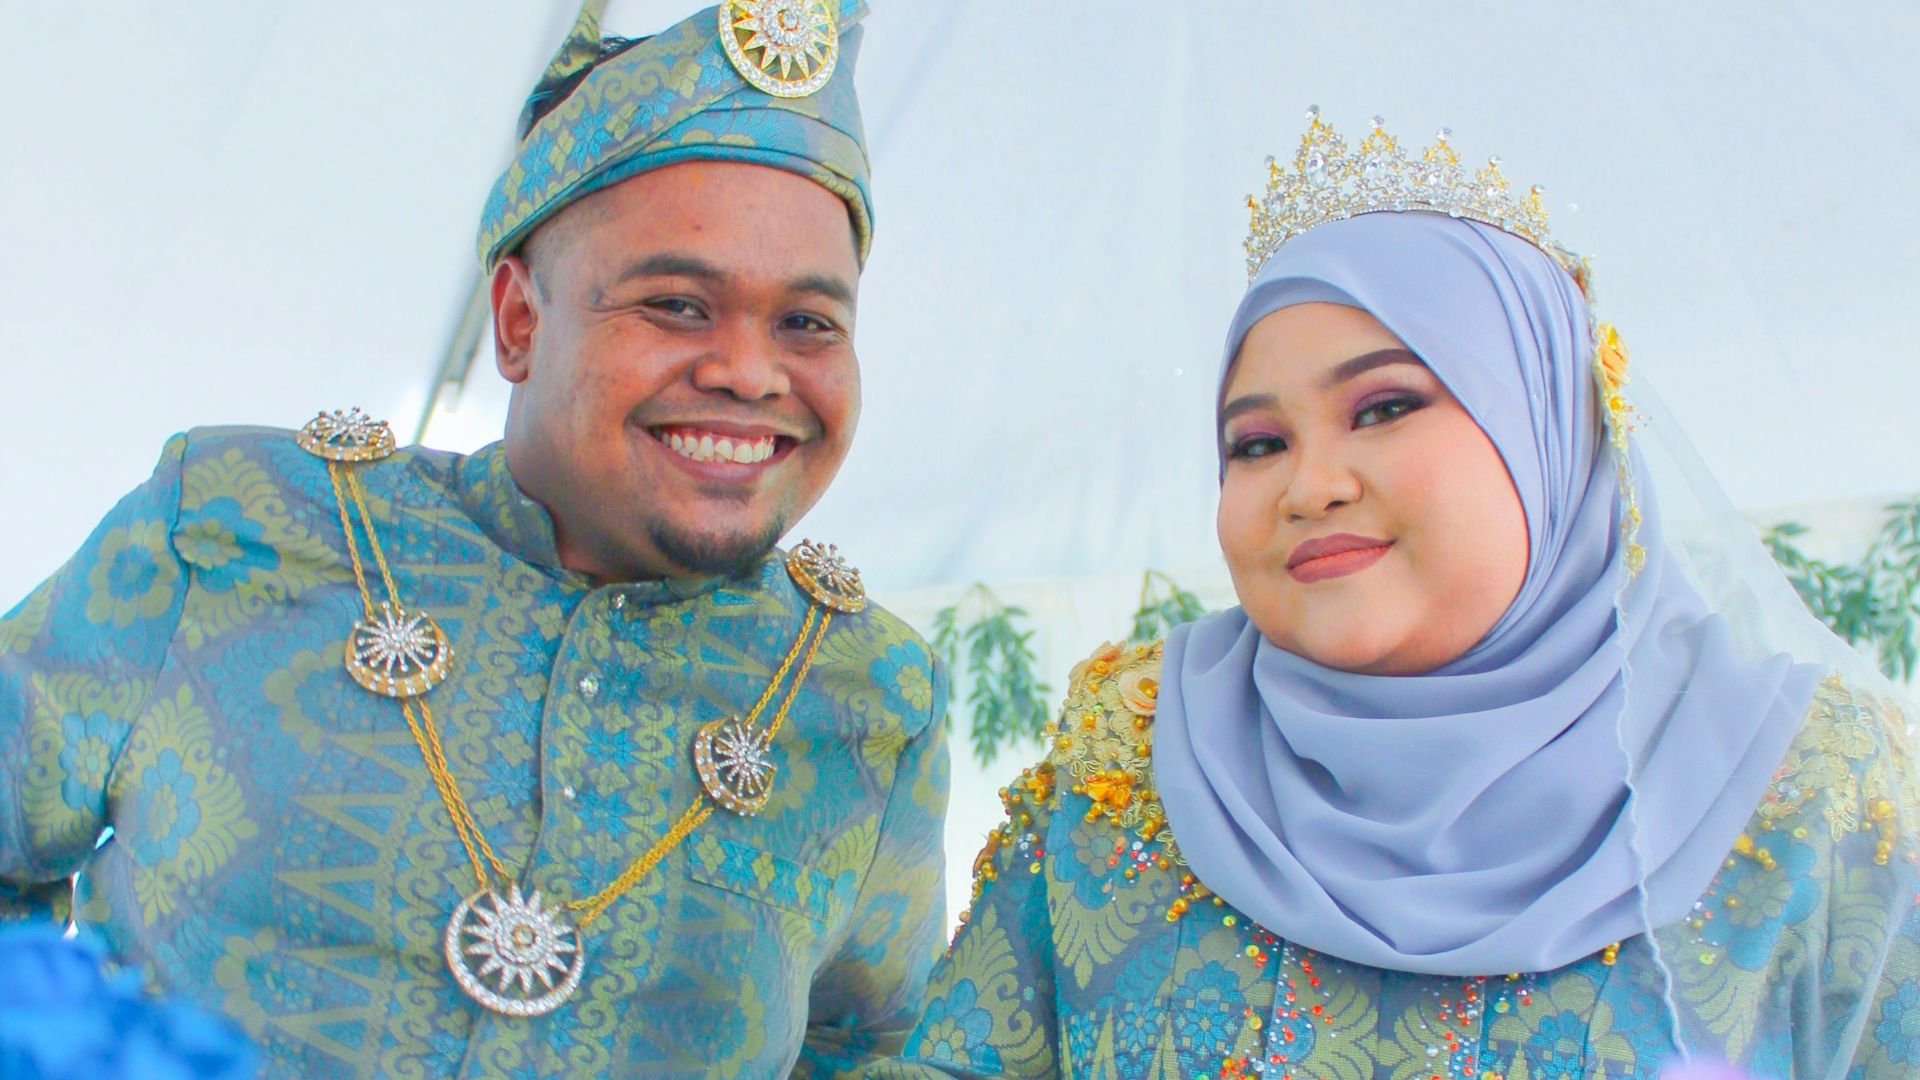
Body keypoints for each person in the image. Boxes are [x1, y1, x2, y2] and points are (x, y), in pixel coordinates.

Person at [0, 1, 950, 1075]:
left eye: (809, 323)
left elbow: (870, 1047)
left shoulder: (872, 696)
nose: (749, 370)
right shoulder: (234, 525)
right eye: (679, 305)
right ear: (518, 322)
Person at [874, 111, 1920, 1079]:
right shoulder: (1128, 751)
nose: (1309, 483)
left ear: (1551, 432)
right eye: (1257, 443)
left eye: (1381, 408)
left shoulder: (1807, 784)